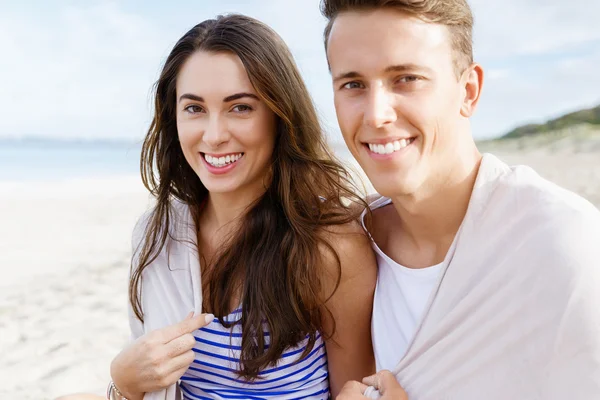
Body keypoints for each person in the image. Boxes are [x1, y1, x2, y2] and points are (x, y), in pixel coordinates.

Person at [58, 13, 377, 400]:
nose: (213, 135)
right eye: (194, 108)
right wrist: (121, 385)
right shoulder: (158, 234)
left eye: (240, 107)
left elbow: (357, 391)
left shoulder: (329, 244)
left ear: (280, 115)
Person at [320, 0, 600, 399]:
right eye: (353, 84)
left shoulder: (563, 245)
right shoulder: (346, 247)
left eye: (407, 79)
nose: (377, 114)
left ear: (468, 91)